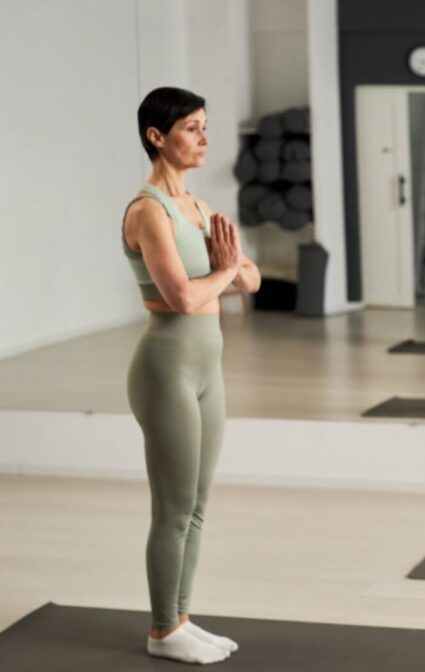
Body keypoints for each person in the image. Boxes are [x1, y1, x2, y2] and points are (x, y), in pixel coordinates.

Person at [122, 87, 261, 663]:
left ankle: (179, 617)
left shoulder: (200, 209)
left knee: (198, 504)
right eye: (193, 128)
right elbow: (181, 298)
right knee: (174, 508)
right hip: (166, 370)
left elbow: (250, 280)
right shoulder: (147, 211)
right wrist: (226, 270)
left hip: (208, 366)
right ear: (158, 136)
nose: (205, 138)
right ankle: (161, 630)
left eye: (206, 126)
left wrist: (228, 269)